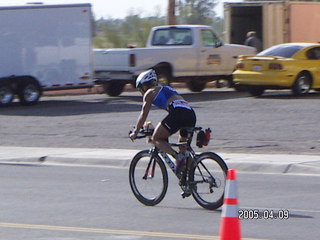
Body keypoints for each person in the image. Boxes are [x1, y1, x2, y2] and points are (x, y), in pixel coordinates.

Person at [129, 69, 196, 174]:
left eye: (140, 89)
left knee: (156, 137)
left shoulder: (149, 92)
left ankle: (177, 157)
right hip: (190, 113)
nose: (141, 92)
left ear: (144, 85)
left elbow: (143, 114)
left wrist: (136, 131)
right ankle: (189, 181)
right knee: (183, 149)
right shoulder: (167, 88)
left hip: (178, 113)